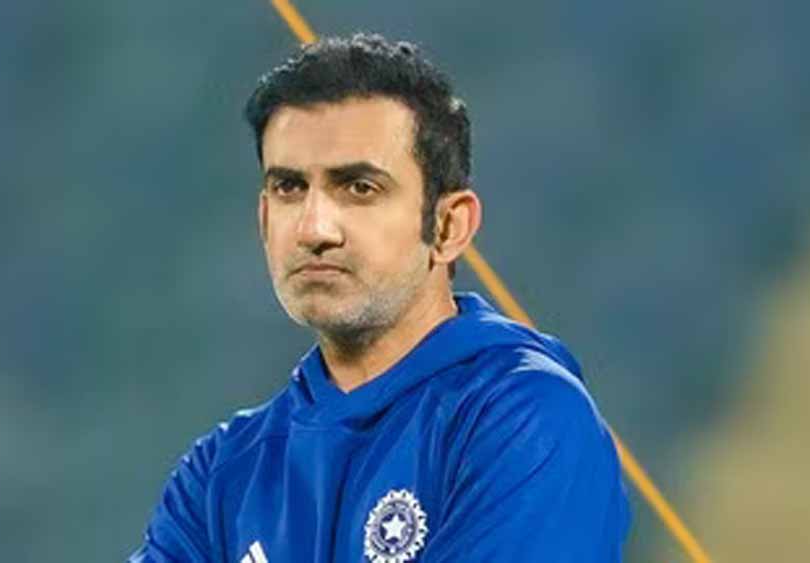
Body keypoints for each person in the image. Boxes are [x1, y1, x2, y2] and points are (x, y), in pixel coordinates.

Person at [129, 33, 629, 562]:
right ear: (263, 218)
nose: (314, 229)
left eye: (359, 188)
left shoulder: (525, 419)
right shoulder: (219, 477)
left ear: (449, 226)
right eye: (289, 188)